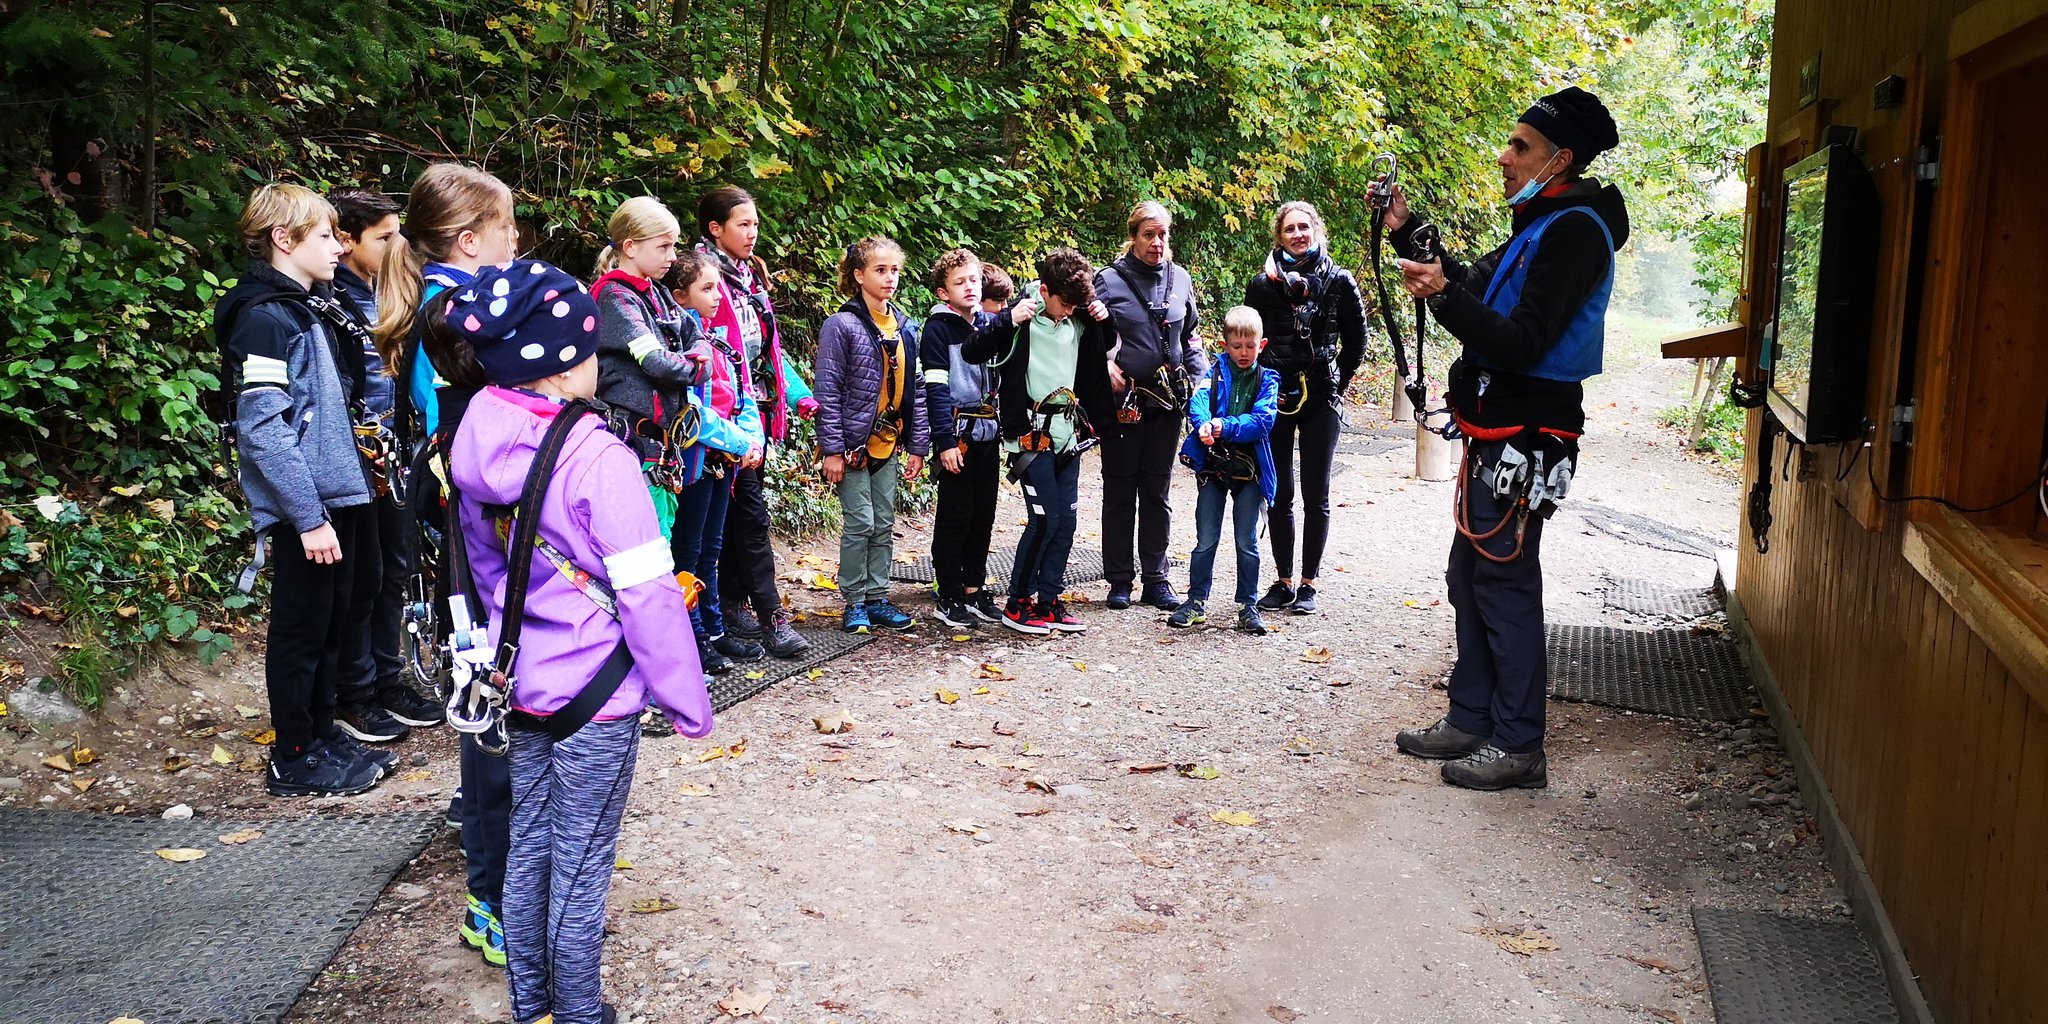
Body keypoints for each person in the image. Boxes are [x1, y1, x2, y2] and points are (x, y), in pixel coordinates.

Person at [442, 260, 714, 1024]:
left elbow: (487, 569)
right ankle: (582, 1015)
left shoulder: (475, 435)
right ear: (563, 361)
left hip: (521, 680)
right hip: (595, 692)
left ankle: (535, 1008)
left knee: (529, 849)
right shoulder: (599, 456)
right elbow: (649, 595)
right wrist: (685, 699)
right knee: (583, 866)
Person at [1387, 85, 1629, 792]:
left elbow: (1522, 341)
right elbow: (1473, 284)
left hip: (1530, 429)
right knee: (1472, 575)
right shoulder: (1542, 220)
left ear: (1561, 159)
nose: (1505, 156)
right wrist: (1409, 235)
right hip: (1500, 426)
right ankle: (1473, 717)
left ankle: (1519, 744)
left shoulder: (1574, 231)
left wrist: (1439, 295)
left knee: (1504, 578)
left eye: (1521, 146)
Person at [372, 160, 522, 968]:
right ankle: (490, 900)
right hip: (476, 546)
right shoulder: (455, 317)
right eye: (506, 229)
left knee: (494, 697)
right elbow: (472, 443)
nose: (517, 241)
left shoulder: (449, 306)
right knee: (490, 698)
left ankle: (501, 884)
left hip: (472, 539)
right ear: (471, 240)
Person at [213, 183, 382, 798]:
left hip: (340, 492)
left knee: (334, 621)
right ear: (284, 241)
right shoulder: (264, 318)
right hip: (305, 506)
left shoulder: (312, 305)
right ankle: (293, 755)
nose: (338, 247)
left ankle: (321, 732)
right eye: (323, 236)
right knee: (300, 629)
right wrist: (306, 517)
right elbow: (263, 429)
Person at [591, 199, 755, 686]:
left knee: (664, 555)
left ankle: (666, 658)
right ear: (630, 246)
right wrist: (694, 360)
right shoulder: (613, 300)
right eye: (662, 246)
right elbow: (659, 363)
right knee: (643, 560)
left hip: (666, 449)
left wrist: (692, 350)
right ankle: (638, 667)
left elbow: (693, 334)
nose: (670, 255)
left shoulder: (655, 295)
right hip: (635, 447)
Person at [329, 187, 447, 743]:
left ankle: (386, 679)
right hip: (355, 462)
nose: (397, 244)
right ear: (345, 238)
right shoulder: (332, 301)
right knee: (363, 577)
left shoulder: (386, 290)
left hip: (395, 456)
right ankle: (354, 692)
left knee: (394, 571)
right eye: (384, 236)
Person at [962, 249, 1112, 635]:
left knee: (1067, 522)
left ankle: (1049, 600)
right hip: (1030, 436)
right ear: (1044, 291)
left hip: (1067, 435)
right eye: (1062, 303)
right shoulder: (1020, 319)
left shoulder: (1077, 317)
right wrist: (1006, 320)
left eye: (1075, 305)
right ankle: (1018, 602)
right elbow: (973, 349)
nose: (1066, 312)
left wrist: (1102, 317)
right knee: (1045, 519)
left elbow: (1104, 347)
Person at [696, 186, 817, 659]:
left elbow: (764, 350)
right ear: (715, 228)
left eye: (755, 225)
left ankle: (730, 603)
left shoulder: (749, 276)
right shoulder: (703, 278)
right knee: (747, 519)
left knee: (735, 518)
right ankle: (770, 616)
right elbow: (722, 356)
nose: (752, 233)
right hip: (722, 419)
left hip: (755, 413)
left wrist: (801, 395)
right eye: (742, 224)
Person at [1244, 201, 1368, 617]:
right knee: (1279, 492)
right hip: (1276, 398)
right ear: (1279, 236)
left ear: (1316, 230)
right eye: (1289, 229)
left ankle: (1309, 583)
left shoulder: (1339, 280)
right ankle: (1281, 581)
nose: (1298, 234)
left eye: (1304, 227)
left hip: (1322, 397)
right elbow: (1251, 339)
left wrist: (1337, 381)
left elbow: (1357, 339)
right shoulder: (1263, 285)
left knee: (1317, 494)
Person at [1095, 201, 1207, 611]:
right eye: (1149, 235)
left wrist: (1201, 380)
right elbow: (1084, 334)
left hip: (1167, 402)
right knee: (1121, 487)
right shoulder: (1108, 281)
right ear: (1134, 236)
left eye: (1163, 235)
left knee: (1157, 490)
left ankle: (1156, 578)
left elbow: (1191, 336)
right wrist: (1103, 363)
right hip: (1123, 402)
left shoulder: (1180, 280)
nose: (1157, 243)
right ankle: (1119, 580)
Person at [814, 236, 928, 634]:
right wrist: (831, 449)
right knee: (860, 521)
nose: (889, 278)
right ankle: (854, 600)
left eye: (894, 270)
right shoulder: (840, 325)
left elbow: (917, 389)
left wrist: (917, 444)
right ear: (859, 275)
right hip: (851, 444)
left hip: (889, 441)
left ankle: (878, 597)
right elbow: (826, 390)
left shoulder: (905, 326)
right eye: (880, 270)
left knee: (883, 521)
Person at [1169, 306, 1280, 635]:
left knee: (1247, 541)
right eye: (1236, 346)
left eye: (1250, 346)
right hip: (1214, 467)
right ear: (1225, 344)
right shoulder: (1214, 371)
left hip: (1251, 470)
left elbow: (1262, 421)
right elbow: (1198, 401)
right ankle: (1195, 601)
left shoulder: (1268, 379)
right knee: (1206, 540)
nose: (1243, 353)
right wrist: (1203, 425)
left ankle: (1248, 604)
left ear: (1262, 345)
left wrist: (1223, 426)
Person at [919, 248, 1004, 629]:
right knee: (956, 515)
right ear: (942, 292)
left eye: (973, 280)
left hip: (988, 431)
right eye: (959, 282)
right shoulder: (937, 330)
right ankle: (949, 591)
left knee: (984, 514)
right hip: (958, 433)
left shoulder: (988, 323)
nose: (969, 287)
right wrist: (944, 441)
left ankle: (973, 587)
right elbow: (935, 390)